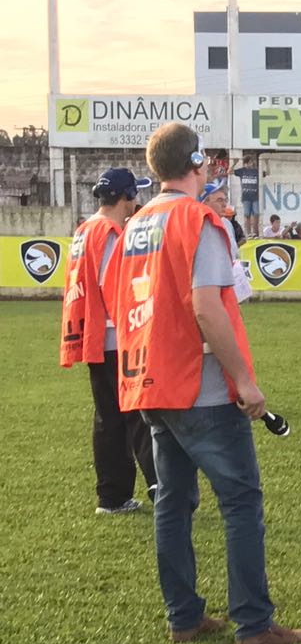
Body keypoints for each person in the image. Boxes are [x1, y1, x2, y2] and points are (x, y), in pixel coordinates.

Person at [107, 122, 301, 644]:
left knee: (172, 503)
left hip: (149, 378)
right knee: (240, 500)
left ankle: (184, 616)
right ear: (199, 163)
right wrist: (244, 379)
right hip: (201, 381)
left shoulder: (137, 223)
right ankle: (254, 624)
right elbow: (204, 305)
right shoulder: (199, 220)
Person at [60, 167, 159, 514]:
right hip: (118, 335)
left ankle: (112, 496)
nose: (138, 200)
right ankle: (159, 486)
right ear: (126, 197)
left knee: (108, 419)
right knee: (139, 413)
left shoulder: (85, 228)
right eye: (136, 194)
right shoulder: (112, 232)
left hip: (94, 336)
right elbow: (115, 286)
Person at [232, 153, 260, 238]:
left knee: (256, 214)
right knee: (247, 215)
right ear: (244, 163)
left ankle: (255, 233)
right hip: (246, 196)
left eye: (250, 162)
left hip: (255, 196)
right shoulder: (242, 171)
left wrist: (266, 164)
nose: (249, 164)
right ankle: (248, 233)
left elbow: (266, 173)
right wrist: (234, 163)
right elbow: (229, 171)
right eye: (247, 163)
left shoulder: (256, 171)